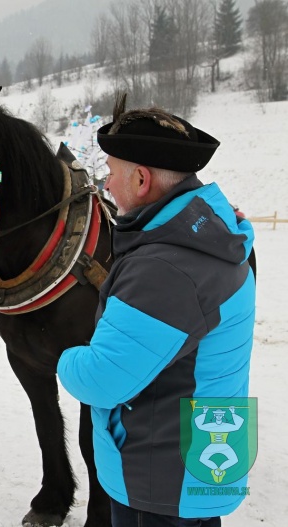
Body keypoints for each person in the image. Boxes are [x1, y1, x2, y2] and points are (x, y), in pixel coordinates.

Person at [57, 94, 255, 527]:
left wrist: (65, 359)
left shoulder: (165, 269)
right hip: (197, 460)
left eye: (110, 174)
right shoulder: (214, 237)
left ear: (142, 180)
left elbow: (102, 379)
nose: (105, 186)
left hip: (159, 479)